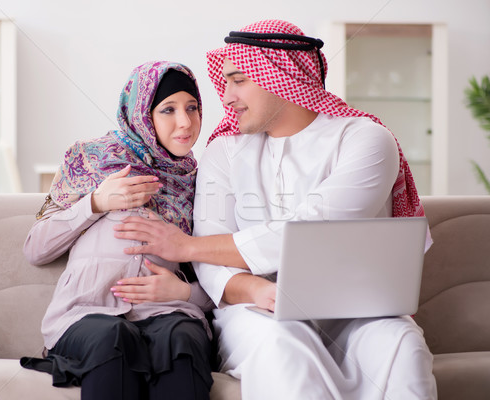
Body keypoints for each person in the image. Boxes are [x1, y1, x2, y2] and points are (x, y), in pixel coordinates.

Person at [113, 20, 437, 399]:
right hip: (253, 310)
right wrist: (256, 289)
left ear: (282, 77)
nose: (227, 96)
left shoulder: (364, 139)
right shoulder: (224, 151)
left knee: (402, 346)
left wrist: (184, 247)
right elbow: (215, 266)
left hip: (355, 312)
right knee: (282, 344)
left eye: (238, 80)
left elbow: (311, 231)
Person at [20, 61, 214, 400]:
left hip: (169, 313)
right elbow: (35, 249)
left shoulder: (205, 181)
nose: (185, 122)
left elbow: (221, 277)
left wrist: (184, 293)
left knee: (182, 337)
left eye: (192, 107)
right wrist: (95, 202)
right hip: (87, 314)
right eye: (168, 109)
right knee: (112, 336)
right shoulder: (88, 160)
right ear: (141, 114)